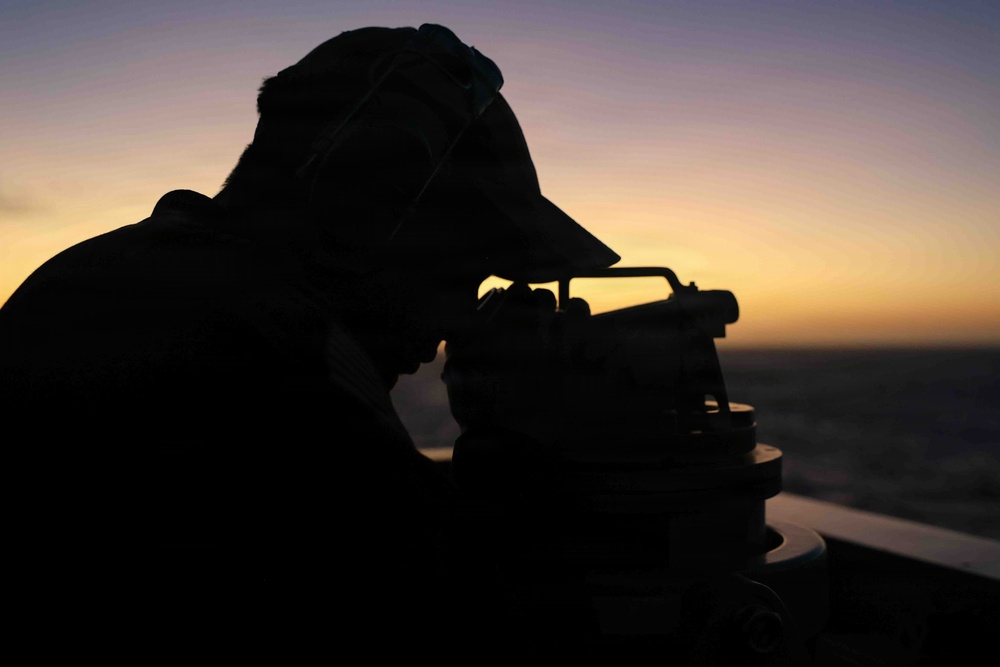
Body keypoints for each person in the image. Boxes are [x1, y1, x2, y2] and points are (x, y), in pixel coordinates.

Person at [1, 25, 620, 655]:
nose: (461, 319)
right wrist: (521, 443)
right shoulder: (265, 360)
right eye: (462, 269)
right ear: (365, 197)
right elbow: (491, 634)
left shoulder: (109, 275)